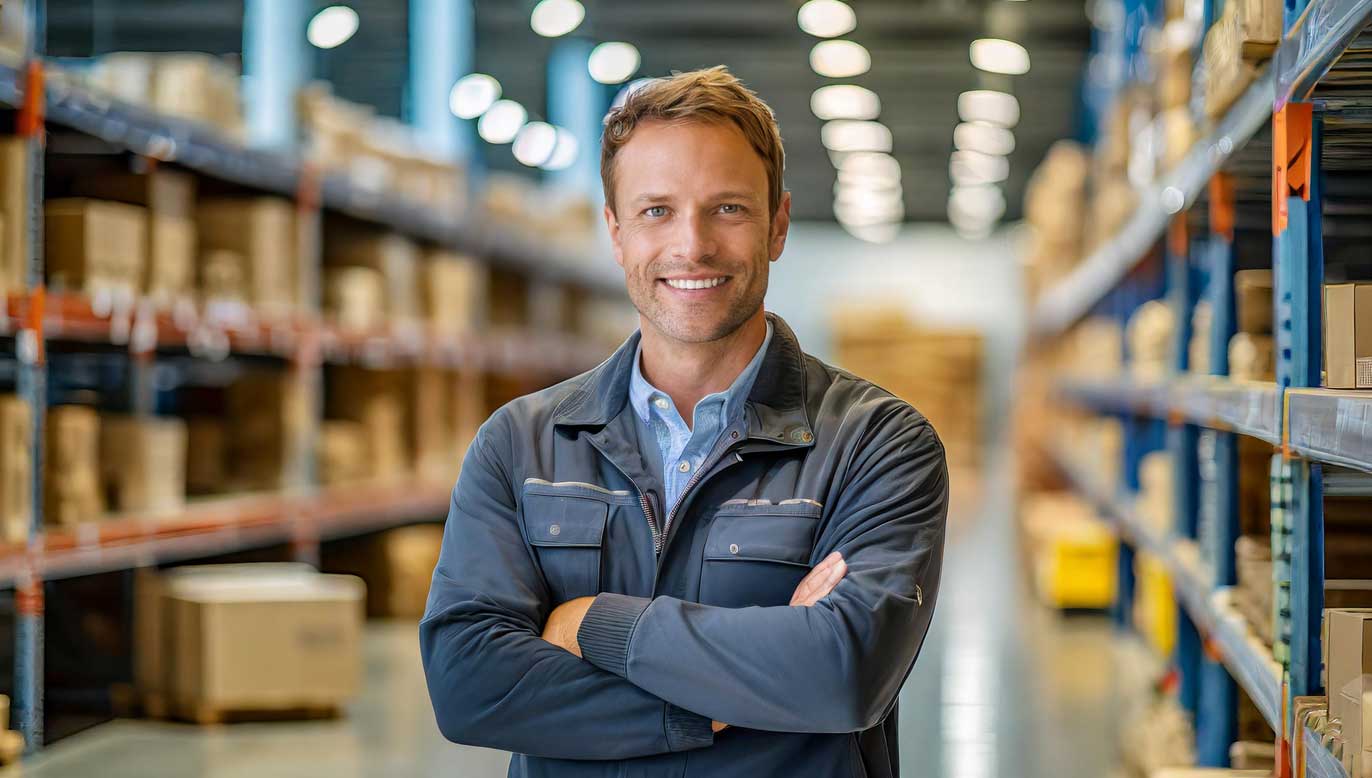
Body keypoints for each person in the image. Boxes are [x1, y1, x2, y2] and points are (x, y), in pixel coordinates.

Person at [420, 65, 948, 778]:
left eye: (727, 208)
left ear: (778, 225)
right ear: (615, 231)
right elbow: (469, 686)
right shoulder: (521, 445)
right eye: (656, 210)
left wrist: (592, 622)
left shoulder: (877, 444)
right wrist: (718, 703)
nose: (692, 245)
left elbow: (844, 672)